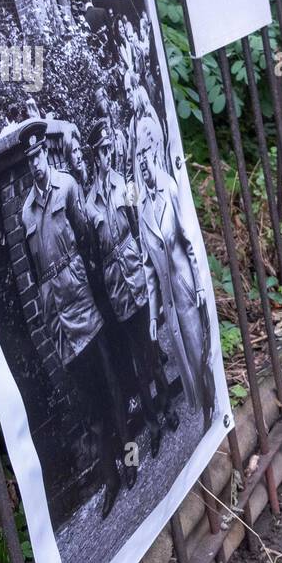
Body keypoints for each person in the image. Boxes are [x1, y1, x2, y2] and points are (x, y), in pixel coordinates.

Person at [18, 119, 131, 517]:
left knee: (110, 382)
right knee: (88, 399)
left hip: (82, 298)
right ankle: (111, 473)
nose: (35, 164)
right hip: (60, 318)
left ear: (47, 154)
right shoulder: (26, 213)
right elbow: (33, 269)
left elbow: (85, 237)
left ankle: (128, 456)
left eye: (38, 155)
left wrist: (86, 281)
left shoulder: (67, 187)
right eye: (28, 159)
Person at [85, 120, 177, 457]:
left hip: (138, 280)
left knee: (152, 352)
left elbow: (141, 225)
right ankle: (152, 425)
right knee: (137, 367)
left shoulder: (124, 184)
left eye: (110, 148)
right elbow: (92, 253)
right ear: (95, 155)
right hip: (117, 292)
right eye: (103, 150)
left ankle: (168, 408)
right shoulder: (88, 203)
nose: (108, 154)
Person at [135, 141, 215, 428]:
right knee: (184, 362)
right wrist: (153, 315)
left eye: (147, 163)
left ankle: (212, 406)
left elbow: (190, 240)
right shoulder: (142, 210)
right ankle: (204, 413)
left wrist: (201, 285)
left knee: (199, 351)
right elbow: (148, 268)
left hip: (185, 287)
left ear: (154, 158)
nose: (145, 171)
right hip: (169, 301)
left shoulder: (169, 189)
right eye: (140, 167)